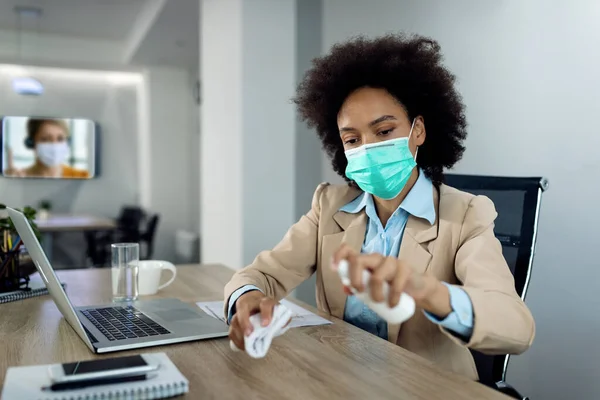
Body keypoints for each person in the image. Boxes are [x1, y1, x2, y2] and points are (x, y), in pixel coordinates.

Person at [224, 34, 535, 379]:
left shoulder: (466, 215)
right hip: (341, 381)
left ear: (418, 130)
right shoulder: (328, 206)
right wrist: (247, 298)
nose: (368, 148)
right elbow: (263, 274)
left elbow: (516, 327)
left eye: (384, 131)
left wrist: (429, 292)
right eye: (353, 140)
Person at [4, 118, 89, 179]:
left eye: (60, 139)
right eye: (45, 139)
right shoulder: (19, 177)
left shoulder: (83, 177)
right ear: (31, 143)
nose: (54, 145)